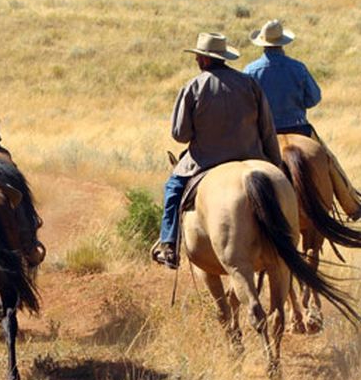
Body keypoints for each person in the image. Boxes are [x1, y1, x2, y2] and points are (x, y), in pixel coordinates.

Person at [152, 32, 282, 268]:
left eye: (199, 57)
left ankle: (169, 245)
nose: (197, 61)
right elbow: (267, 128)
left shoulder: (194, 86)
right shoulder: (249, 83)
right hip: (252, 157)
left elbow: (180, 135)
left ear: (205, 60)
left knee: (173, 189)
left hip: (205, 162)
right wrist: (275, 164)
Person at [243, 19, 361, 219]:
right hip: (300, 129)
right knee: (329, 160)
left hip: (264, 134)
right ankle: (352, 205)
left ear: (262, 44)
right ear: (283, 43)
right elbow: (314, 97)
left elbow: (245, 105)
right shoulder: (298, 68)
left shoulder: (251, 71)